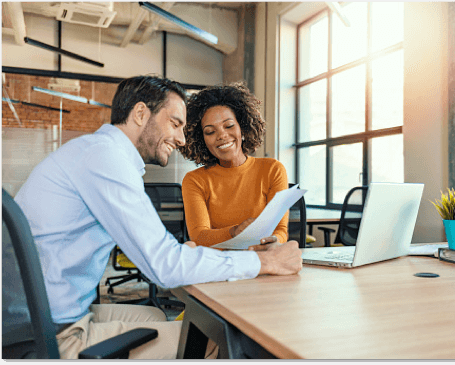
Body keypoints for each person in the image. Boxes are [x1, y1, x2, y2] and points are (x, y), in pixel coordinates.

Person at [14, 75, 302, 359]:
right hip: (51, 335)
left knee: (155, 314)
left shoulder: (95, 152)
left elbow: (162, 254)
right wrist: (264, 261)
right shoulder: (106, 159)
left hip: (42, 316)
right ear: (141, 113)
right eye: (175, 123)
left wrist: (181, 253)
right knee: (211, 337)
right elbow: (163, 266)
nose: (180, 138)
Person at [179, 82, 289, 248]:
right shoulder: (194, 180)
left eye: (229, 125)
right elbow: (199, 236)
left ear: (242, 129)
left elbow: (280, 230)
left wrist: (274, 240)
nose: (222, 135)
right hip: (218, 263)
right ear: (202, 140)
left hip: (262, 258)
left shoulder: (273, 169)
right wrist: (235, 232)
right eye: (210, 131)